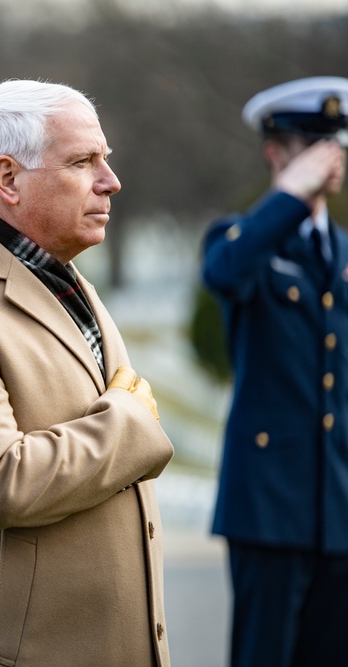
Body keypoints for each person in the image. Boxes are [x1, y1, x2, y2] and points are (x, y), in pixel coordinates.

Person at [0, 79, 175, 667]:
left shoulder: (61, 275)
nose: (110, 181)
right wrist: (129, 423)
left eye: (106, 159)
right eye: (82, 161)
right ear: (8, 179)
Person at [202, 77, 348, 667]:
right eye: (309, 145)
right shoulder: (242, 239)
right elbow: (226, 272)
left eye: (333, 143)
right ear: (275, 152)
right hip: (268, 507)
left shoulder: (341, 250)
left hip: (338, 508)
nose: (327, 157)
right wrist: (291, 194)